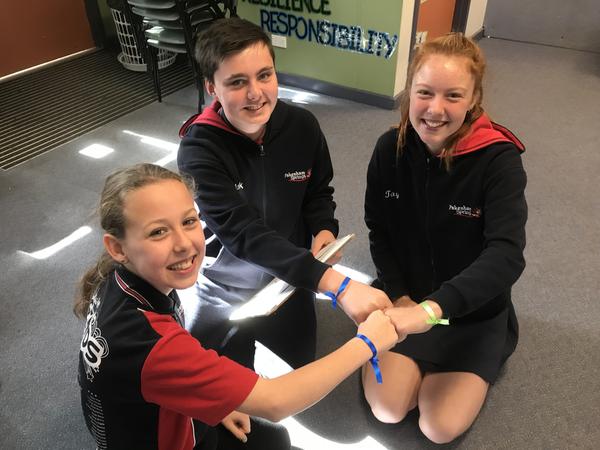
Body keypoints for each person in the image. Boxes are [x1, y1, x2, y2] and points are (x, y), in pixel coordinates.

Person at [75, 163, 398, 450]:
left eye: (189, 221)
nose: (184, 243)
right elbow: (276, 401)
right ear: (117, 248)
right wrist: (367, 343)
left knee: (274, 440)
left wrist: (211, 403)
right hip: (165, 437)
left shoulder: (118, 281)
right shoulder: (150, 343)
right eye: (158, 232)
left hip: (156, 413)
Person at [177, 17, 391, 370]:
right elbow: (243, 234)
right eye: (237, 82)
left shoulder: (302, 126)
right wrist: (337, 285)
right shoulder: (198, 149)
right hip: (224, 286)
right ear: (211, 87)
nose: (255, 94)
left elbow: (318, 192)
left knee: (298, 364)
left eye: (265, 75)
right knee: (212, 379)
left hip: (288, 278)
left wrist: (323, 228)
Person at [363, 33, 527, 444]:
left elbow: (506, 255)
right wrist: (400, 296)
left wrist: (431, 312)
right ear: (410, 91)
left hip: (469, 312)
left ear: (474, 99)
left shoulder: (499, 160)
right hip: (407, 301)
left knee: (438, 428)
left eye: (453, 95)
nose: (435, 109)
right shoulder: (389, 148)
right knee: (388, 409)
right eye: (425, 92)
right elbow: (379, 231)